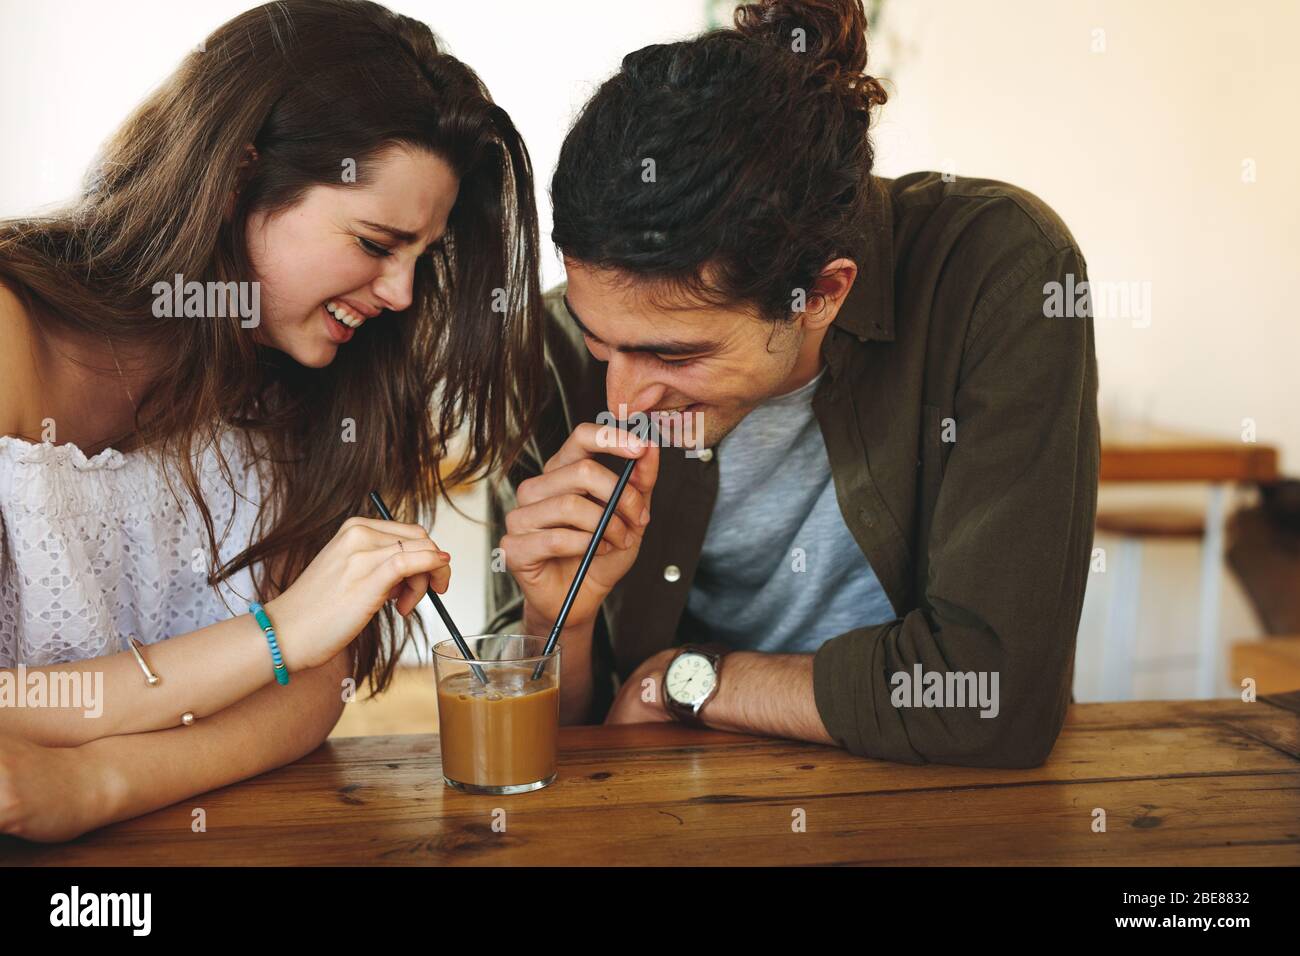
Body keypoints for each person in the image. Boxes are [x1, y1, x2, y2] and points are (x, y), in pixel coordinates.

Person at [487, 0, 1099, 767]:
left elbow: (991, 698)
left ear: (824, 293)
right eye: (600, 338)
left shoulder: (997, 272)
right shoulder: (546, 349)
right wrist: (558, 624)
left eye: (675, 356)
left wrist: (684, 684)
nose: (623, 400)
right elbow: (555, 751)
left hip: (924, 794)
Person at [0, 0, 544, 841]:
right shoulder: (9, 335)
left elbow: (309, 692)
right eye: (374, 242)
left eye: (421, 259)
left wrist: (97, 780)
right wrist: (279, 633)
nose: (401, 295)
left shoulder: (304, 388)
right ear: (234, 182)